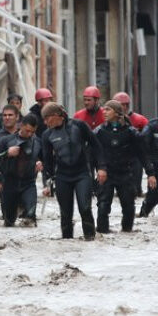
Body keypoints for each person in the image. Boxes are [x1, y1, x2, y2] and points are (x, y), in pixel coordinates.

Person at [40, 102, 105, 240]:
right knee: (65, 213)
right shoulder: (47, 135)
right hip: (62, 176)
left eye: (47, 118)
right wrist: (47, 184)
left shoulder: (79, 126)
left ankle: (90, 237)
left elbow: (96, 146)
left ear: (57, 115)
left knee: (85, 207)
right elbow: (47, 162)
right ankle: (67, 241)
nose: (45, 122)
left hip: (82, 173)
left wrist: (101, 167)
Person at [94, 100, 146, 234]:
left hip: (125, 173)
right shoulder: (99, 131)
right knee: (103, 205)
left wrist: (151, 173)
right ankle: (102, 231)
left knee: (128, 205)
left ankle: (127, 231)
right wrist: (97, 169)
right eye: (103, 109)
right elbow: (91, 152)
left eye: (107, 110)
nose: (104, 112)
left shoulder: (130, 132)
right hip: (106, 174)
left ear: (117, 113)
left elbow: (142, 153)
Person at [0, 113, 42, 227]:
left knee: (30, 216)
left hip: (28, 183)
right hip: (9, 183)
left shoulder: (37, 142)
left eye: (33, 132)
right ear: (21, 125)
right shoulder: (5, 140)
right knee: (9, 221)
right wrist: (7, 153)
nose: (30, 134)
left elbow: (45, 159)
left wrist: (40, 163)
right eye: (27, 131)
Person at [114, 91, 148, 194]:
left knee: (135, 188)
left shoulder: (140, 120)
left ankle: (136, 189)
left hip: (134, 154)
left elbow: (148, 136)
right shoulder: (108, 120)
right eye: (121, 105)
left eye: (126, 105)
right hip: (116, 153)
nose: (124, 108)